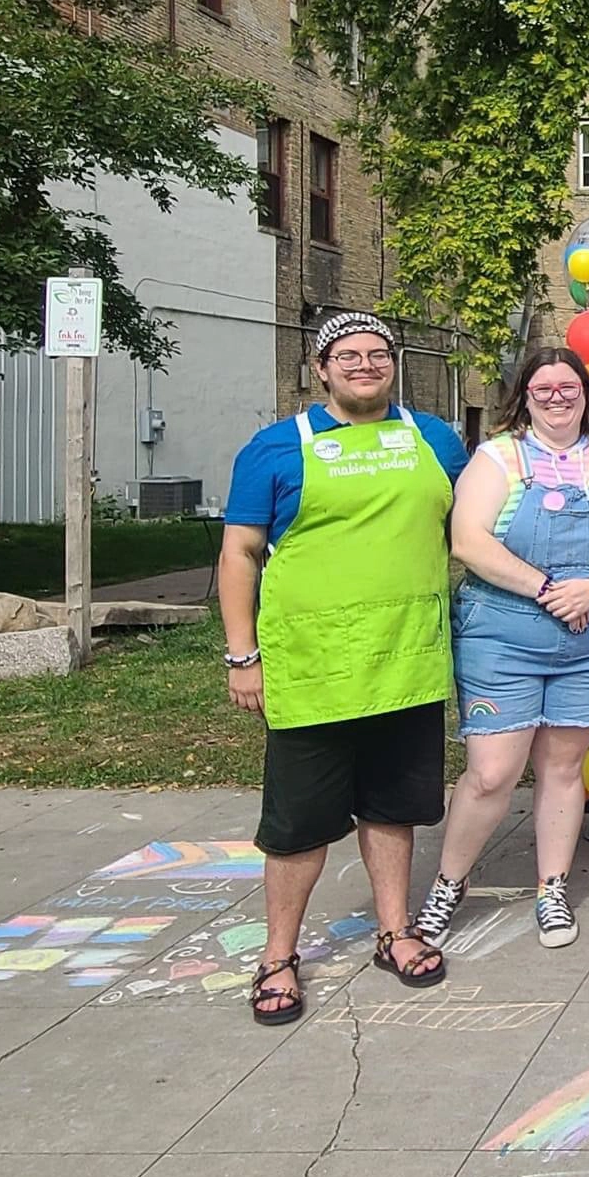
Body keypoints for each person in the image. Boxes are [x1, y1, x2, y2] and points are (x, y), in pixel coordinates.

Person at [217, 311, 469, 1025]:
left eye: (378, 354)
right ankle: (278, 956)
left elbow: (477, 527)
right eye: (348, 356)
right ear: (321, 369)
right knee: (297, 825)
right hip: (312, 669)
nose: (365, 365)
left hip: (408, 662)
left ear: (395, 364)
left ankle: (395, 932)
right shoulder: (276, 449)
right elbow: (240, 555)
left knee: (394, 808)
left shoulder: (436, 440)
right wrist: (243, 655)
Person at [411, 347, 589, 950]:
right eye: (542, 388)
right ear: (523, 395)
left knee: (564, 767)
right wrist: (548, 589)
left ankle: (552, 888)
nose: (556, 397)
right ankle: (449, 883)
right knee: (492, 773)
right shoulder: (497, 458)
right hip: (502, 634)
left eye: (567, 386)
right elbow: (468, 541)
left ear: (585, 393)